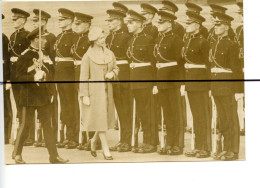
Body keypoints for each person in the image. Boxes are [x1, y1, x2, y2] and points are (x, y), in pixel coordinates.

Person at [11, 27, 68, 164]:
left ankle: (53, 156)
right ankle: (17, 153)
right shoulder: (25, 56)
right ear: (35, 40)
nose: (45, 40)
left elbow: (51, 74)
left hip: (43, 96)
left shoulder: (45, 54)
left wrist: (47, 72)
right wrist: (33, 78)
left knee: (48, 126)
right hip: (29, 96)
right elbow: (18, 78)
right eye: (42, 38)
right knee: (26, 125)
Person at [79, 27, 119, 160]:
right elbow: (83, 76)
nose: (104, 39)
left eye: (103, 37)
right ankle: (105, 148)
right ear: (95, 40)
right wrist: (84, 95)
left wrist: (112, 73)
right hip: (94, 92)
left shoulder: (109, 53)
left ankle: (93, 140)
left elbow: (116, 67)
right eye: (101, 38)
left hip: (108, 90)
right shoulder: (87, 56)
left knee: (103, 118)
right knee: (100, 118)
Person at [209, 12, 241, 161]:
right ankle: (224, 148)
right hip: (216, 85)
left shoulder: (232, 44)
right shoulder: (214, 43)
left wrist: (239, 90)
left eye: (219, 24)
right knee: (222, 118)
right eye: (215, 24)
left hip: (228, 86)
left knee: (231, 118)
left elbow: (236, 69)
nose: (215, 27)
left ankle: (233, 150)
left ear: (226, 26)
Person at [126, 10, 158, 153]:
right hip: (134, 79)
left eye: (131, 22)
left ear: (139, 23)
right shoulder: (131, 40)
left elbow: (154, 62)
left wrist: (155, 83)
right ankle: (144, 141)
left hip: (146, 79)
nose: (128, 25)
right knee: (141, 112)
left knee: (148, 111)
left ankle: (151, 142)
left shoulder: (148, 39)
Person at [153, 10, 184, 155]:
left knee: (175, 113)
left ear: (169, 24)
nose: (158, 24)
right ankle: (168, 142)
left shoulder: (176, 39)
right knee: (167, 114)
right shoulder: (160, 38)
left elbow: (180, 63)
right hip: (161, 80)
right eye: (158, 21)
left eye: (161, 22)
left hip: (173, 80)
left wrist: (181, 83)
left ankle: (177, 144)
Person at [182, 11, 211, 158]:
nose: (186, 25)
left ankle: (205, 147)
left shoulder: (203, 41)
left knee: (203, 116)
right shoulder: (188, 40)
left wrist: (210, 86)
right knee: (195, 115)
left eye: (189, 23)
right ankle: (198, 145)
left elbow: (208, 64)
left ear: (197, 25)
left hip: (201, 83)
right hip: (191, 82)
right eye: (186, 23)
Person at [105, 9, 132, 152]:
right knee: (119, 110)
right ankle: (122, 139)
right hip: (112, 76)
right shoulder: (109, 38)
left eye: (111, 20)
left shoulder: (126, 37)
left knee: (125, 110)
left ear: (120, 21)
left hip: (124, 76)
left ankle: (127, 140)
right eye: (108, 21)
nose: (108, 23)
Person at [31, 9, 57, 147]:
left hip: (48, 76)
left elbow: (52, 59)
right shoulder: (32, 37)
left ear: (44, 22)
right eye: (33, 21)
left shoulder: (51, 37)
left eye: (36, 21)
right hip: (35, 76)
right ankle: (37, 136)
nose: (34, 23)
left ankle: (48, 137)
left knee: (48, 107)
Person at [54, 8, 78, 149]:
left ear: (69, 20)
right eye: (59, 19)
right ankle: (65, 136)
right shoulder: (59, 36)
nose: (59, 21)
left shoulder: (74, 36)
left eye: (62, 19)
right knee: (63, 106)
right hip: (59, 75)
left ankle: (73, 136)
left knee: (71, 105)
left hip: (69, 75)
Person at [8, 8, 31, 145]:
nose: (13, 21)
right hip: (14, 74)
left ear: (22, 20)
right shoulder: (12, 36)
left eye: (16, 19)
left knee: (24, 104)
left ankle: (26, 136)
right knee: (18, 103)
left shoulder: (27, 36)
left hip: (23, 74)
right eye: (13, 19)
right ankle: (21, 135)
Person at [71, 12, 93, 150]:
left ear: (88, 24)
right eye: (75, 23)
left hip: (88, 75)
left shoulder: (90, 39)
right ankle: (84, 137)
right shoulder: (76, 38)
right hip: (77, 73)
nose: (76, 26)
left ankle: (92, 139)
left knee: (89, 107)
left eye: (79, 24)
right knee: (81, 107)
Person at [235, 2, 245, 135]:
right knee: (241, 97)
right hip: (241, 66)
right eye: (241, 14)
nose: (242, 16)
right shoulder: (239, 29)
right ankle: (242, 125)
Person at [3, 14, 13, 144]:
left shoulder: (3, 38)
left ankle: (5, 136)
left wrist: (8, 79)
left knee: (5, 108)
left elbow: (6, 61)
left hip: (2, 78)